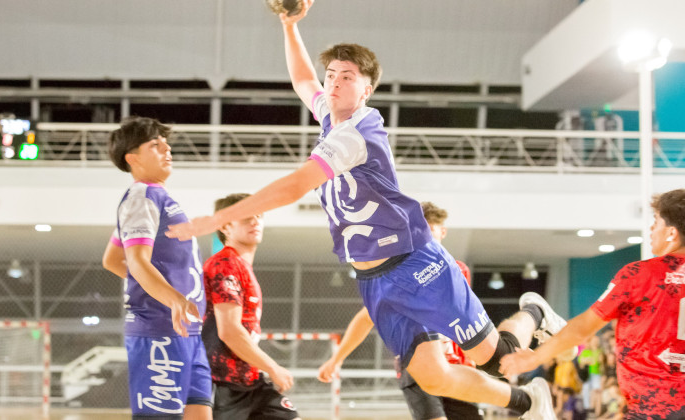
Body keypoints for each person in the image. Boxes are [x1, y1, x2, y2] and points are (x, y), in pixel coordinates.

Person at [167, 2, 572, 417]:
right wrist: (289, 27)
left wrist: (217, 219)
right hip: (374, 280)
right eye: (333, 76)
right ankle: (529, 402)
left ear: (366, 89)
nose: (334, 83)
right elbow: (304, 80)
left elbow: (295, 185)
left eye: (347, 77)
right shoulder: (329, 116)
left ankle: (533, 310)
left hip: (415, 264)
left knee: (496, 359)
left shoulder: (359, 132)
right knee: (431, 376)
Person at [501, 188, 685, 419]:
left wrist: (534, 358)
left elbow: (583, 328)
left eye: (656, 222)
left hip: (657, 408)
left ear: (671, 233)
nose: (652, 229)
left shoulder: (639, 275)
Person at [317, 201, 482, 420]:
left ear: (442, 232)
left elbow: (466, 316)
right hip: (419, 363)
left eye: (429, 232)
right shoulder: (400, 274)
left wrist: (477, 354)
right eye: (417, 233)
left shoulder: (458, 270)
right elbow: (366, 318)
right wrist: (336, 358)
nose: (423, 239)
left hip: (457, 368)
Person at [101, 116, 212, 420]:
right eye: (155, 144)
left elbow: (112, 259)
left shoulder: (159, 198)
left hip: (186, 331)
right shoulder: (141, 196)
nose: (167, 148)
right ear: (132, 158)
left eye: (166, 143)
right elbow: (135, 261)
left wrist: (159, 286)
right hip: (160, 332)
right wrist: (171, 298)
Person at [201, 193, 300, 420]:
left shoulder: (241, 266)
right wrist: (273, 368)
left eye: (258, 215)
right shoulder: (224, 264)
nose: (255, 221)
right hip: (223, 384)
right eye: (246, 217)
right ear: (225, 226)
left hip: (251, 382)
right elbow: (229, 331)